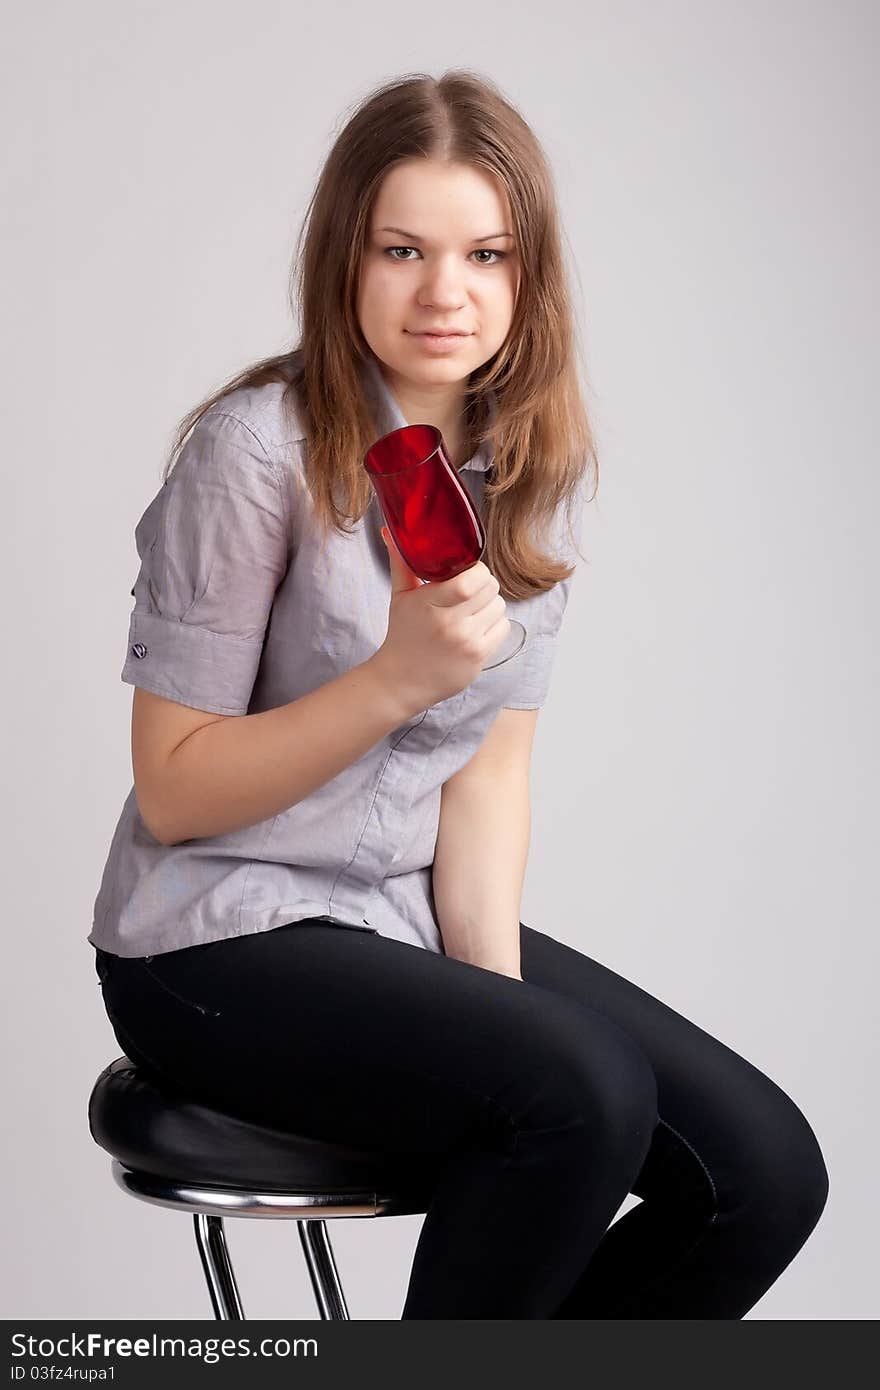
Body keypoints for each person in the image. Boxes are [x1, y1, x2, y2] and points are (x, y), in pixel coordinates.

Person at [90, 70, 828, 1319]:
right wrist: (392, 680)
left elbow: (488, 774)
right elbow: (173, 791)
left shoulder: (528, 468)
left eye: (485, 253)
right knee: (580, 1092)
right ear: (345, 260)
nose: (446, 292)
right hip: (212, 939)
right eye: (402, 249)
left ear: (526, 277)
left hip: (392, 918)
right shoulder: (256, 450)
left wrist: (494, 1010)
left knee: (759, 1172)